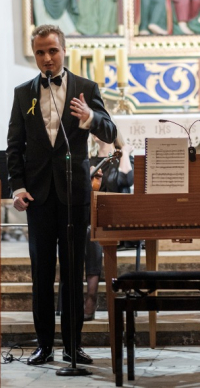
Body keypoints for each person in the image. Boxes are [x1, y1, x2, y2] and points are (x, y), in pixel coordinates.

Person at [7, 24, 116, 365]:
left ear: (63, 50)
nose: (47, 58)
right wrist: (17, 186)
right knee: (41, 271)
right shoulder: (23, 93)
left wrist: (90, 117)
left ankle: (72, 345)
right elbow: (14, 146)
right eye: (40, 52)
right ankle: (44, 345)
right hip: (37, 196)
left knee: (73, 272)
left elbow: (110, 131)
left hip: (74, 193)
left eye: (52, 51)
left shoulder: (85, 87)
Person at [84, 136, 133, 321]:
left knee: (92, 232)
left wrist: (125, 153)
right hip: (92, 221)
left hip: (115, 222)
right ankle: (87, 295)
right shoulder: (89, 162)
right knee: (89, 231)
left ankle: (91, 295)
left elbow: (126, 179)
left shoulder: (121, 158)